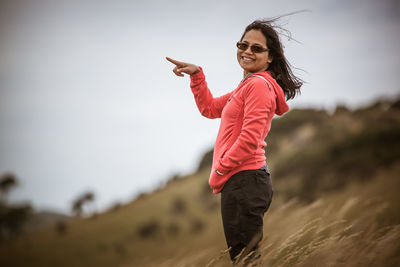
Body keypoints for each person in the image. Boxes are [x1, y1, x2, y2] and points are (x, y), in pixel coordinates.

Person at [166, 18, 302, 264]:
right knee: (245, 259)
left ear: (270, 56)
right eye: (243, 45)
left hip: (244, 181)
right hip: (243, 181)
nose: (247, 51)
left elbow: (250, 140)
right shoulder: (247, 86)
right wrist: (197, 75)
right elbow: (209, 108)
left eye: (257, 48)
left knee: (245, 260)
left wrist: (220, 168)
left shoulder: (258, 86)